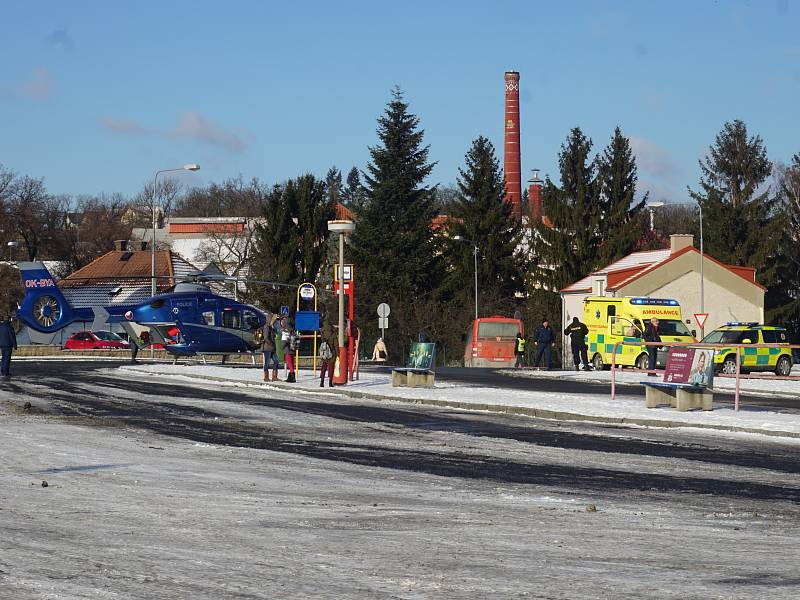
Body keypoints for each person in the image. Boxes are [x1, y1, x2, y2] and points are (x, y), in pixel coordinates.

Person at [318, 323, 337, 387]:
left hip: (324, 352)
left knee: (324, 367)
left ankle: (322, 382)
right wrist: (338, 353)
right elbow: (336, 344)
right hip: (331, 352)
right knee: (331, 368)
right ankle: (330, 383)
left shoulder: (323, 332)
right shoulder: (333, 334)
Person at [262, 316, 279, 382]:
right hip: (267, 348)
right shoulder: (266, 327)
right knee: (267, 363)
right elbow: (266, 338)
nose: (275, 321)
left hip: (272, 348)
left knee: (276, 361)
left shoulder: (271, 327)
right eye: (274, 320)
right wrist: (271, 344)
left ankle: (274, 376)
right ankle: (266, 377)